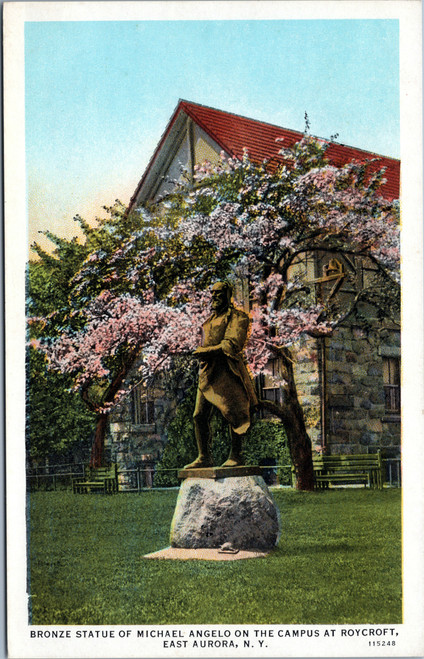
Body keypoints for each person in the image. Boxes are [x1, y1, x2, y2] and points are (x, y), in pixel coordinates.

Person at [185, 281, 258, 469]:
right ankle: (204, 457)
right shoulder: (208, 320)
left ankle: (236, 455)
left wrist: (207, 351)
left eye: (219, 293)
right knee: (198, 415)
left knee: (233, 412)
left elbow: (232, 344)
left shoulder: (238, 317)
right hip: (208, 372)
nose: (215, 297)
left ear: (228, 294)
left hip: (228, 370)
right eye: (213, 293)